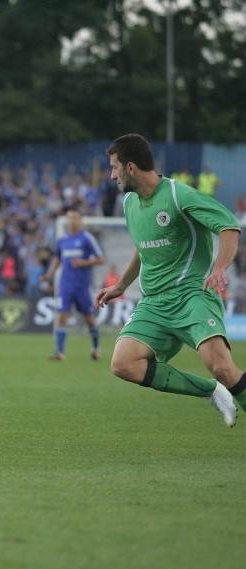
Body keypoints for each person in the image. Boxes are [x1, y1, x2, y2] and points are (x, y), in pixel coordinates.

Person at [95, 133, 242, 428]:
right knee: (123, 364)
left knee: (222, 367)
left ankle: (220, 382)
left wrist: (220, 268)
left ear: (131, 167)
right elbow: (143, 245)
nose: (111, 175)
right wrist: (121, 286)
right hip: (154, 304)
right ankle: (210, 391)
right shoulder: (129, 204)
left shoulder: (179, 195)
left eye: (114, 167)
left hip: (192, 295)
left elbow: (228, 225)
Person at [41, 207, 105, 361]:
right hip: (65, 284)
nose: (72, 221)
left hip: (82, 285)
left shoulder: (86, 238)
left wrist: (84, 262)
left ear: (80, 220)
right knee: (61, 315)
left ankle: (96, 348)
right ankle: (60, 353)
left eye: (75, 218)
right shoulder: (62, 240)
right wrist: (49, 274)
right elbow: (57, 258)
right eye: (70, 218)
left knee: (89, 318)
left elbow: (101, 258)